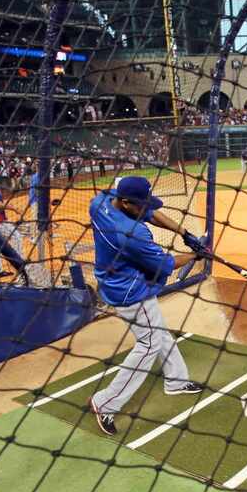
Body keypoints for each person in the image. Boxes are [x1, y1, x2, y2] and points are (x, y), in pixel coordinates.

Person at [87, 176, 210, 435]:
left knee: (158, 331)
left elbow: (152, 214)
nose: (146, 210)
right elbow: (164, 265)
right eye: (141, 206)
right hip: (130, 291)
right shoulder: (131, 235)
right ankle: (105, 402)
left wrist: (185, 234)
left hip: (113, 278)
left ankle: (176, 380)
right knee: (149, 343)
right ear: (127, 203)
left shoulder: (100, 203)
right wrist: (197, 254)